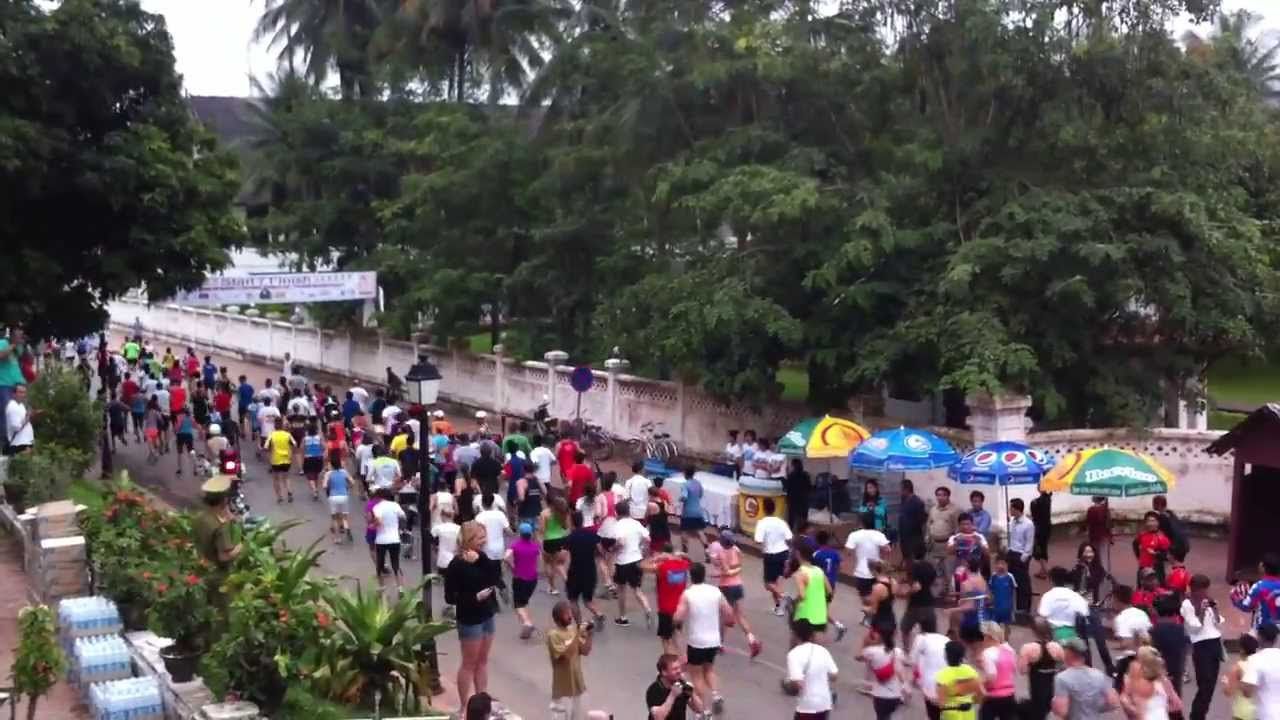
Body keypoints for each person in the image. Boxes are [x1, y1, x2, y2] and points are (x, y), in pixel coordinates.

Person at [444, 521, 501, 710]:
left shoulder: (482, 557)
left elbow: (494, 577)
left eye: (484, 537)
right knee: (469, 663)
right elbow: (450, 597)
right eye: (480, 538)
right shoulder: (456, 564)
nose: (484, 542)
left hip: (487, 613)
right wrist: (473, 597)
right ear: (468, 540)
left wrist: (481, 560)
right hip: (470, 618)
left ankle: (481, 701)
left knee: (483, 661)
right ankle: (464, 706)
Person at [674, 562, 731, 715]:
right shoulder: (715, 591)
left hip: (696, 641)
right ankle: (716, 694)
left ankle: (703, 709)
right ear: (704, 574)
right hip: (714, 640)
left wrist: (676, 622)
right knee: (709, 668)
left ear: (690, 576)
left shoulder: (688, 594)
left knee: (696, 675)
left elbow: (678, 616)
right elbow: (728, 612)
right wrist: (728, 622)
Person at [706, 529, 762, 657]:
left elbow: (726, 572)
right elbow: (739, 565)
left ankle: (719, 643)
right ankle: (751, 639)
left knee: (724, 615)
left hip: (726, 586)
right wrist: (736, 570)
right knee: (740, 615)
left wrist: (717, 574)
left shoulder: (721, 552)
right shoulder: (736, 550)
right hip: (738, 584)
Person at [190, 475, 243, 607]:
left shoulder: (201, 517)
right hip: (218, 577)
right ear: (224, 500)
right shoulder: (220, 527)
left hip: (202, 570)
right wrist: (240, 547)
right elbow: (224, 556)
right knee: (221, 612)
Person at [1180, 574, 1223, 720]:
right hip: (1201, 645)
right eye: (1204, 590)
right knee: (1204, 684)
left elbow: (1218, 623)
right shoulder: (1187, 604)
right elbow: (1194, 628)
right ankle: (1196, 716)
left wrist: (1215, 610)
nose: (1206, 593)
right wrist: (1202, 612)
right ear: (1195, 590)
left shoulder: (1207, 601)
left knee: (1210, 685)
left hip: (1215, 643)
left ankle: (1200, 715)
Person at [547, 600, 594, 720]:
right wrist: (577, 634)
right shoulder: (553, 635)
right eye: (566, 613)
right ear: (558, 618)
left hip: (578, 686)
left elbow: (585, 651)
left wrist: (589, 636)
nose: (570, 615)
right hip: (563, 690)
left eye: (570, 612)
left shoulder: (573, 631)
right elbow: (565, 656)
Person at [1053, 637, 1120, 720]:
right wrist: (1095, 707)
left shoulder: (1062, 678)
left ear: (1069, 653)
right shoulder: (1098, 675)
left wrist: (1054, 704)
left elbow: (1062, 711)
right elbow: (1113, 702)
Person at [786, 618, 840, 720]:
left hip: (807, 706)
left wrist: (789, 685)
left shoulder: (794, 654)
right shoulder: (822, 650)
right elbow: (834, 675)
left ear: (795, 635)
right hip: (825, 704)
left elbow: (797, 685)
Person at [610, 500, 652, 626]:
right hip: (636, 558)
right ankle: (647, 608)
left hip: (623, 561)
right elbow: (648, 539)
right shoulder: (636, 523)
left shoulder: (618, 525)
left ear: (617, 512)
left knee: (621, 590)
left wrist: (614, 549)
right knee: (637, 589)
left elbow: (621, 542)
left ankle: (623, 617)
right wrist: (642, 549)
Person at [858, 619, 907, 720]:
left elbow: (858, 657)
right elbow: (900, 672)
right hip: (896, 696)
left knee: (881, 717)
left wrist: (866, 642)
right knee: (886, 716)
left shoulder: (871, 651)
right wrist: (905, 687)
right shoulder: (898, 651)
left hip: (881, 695)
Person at [564, 511, 606, 628]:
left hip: (575, 572)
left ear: (572, 522)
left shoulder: (570, 538)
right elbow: (601, 551)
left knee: (573, 599)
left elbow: (564, 557)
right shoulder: (592, 535)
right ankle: (598, 613)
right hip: (590, 571)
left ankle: (579, 624)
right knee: (588, 600)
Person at [754, 497, 794, 616]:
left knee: (768, 584)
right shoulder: (781, 522)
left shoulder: (762, 523)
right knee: (775, 582)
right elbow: (789, 538)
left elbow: (758, 540)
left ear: (764, 509)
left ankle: (784, 596)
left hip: (770, 555)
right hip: (783, 553)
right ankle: (779, 608)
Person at [1111, 584, 1154, 692]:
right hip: (1146, 657)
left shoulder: (1122, 618)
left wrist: (1114, 647)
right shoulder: (1141, 613)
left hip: (1128, 662)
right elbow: (1148, 635)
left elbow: (1127, 643)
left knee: (1121, 695)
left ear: (1116, 599)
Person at [1121, 646, 1184, 720]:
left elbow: (1123, 698)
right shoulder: (1163, 681)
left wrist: (1134, 709)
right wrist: (1163, 707)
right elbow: (1177, 705)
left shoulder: (1132, 680)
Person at [1020, 617, 1065, 720]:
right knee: (1046, 707)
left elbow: (1022, 670)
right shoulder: (1057, 647)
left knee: (1037, 709)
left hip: (1036, 682)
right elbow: (1063, 666)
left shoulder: (1028, 648)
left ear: (1034, 631)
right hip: (1051, 682)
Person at [652, 545, 691, 655]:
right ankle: (682, 657)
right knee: (677, 634)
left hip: (665, 608)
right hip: (679, 608)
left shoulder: (662, 567)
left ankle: (670, 661)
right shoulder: (683, 565)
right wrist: (683, 555)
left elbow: (642, 566)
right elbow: (691, 561)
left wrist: (656, 558)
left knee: (665, 638)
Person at [909, 614, 950, 720]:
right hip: (947, 679)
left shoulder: (921, 638)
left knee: (932, 711)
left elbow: (913, 660)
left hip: (930, 680)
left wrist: (914, 678)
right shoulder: (945, 639)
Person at [792, 542, 832, 643]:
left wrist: (794, 602)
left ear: (798, 554)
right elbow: (829, 591)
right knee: (815, 643)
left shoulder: (800, 573)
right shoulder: (819, 570)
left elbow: (802, 595)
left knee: (797, 642)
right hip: (820, 613)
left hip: (805, 615)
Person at [977, 621, 1018, 720]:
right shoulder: (1010, 650)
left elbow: (991, 676)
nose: (982, 640)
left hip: (993, 696)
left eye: (983, 636)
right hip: (1009, 695)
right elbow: (1013, 670)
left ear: (988, 637)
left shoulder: (988, 653)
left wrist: (981, 683)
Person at [1038, 566, 1089, 642]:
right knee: (1083, 650)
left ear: (1051, 580)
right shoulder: (1075, 596)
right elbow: (1085, 613)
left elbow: (1042, 614)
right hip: (1072, 634)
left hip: (1053, 634)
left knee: (1038, 620)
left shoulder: (1048, 596)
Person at [846, 512, 891, 597]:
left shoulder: (854, 535)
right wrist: (882, 557)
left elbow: (848, 551)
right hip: (876, 572)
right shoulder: (879, 534)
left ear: (861, 522)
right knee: (877, 597)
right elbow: (888, 549)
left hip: (861, 572)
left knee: (865, 600)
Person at [508, 522, 541, 638]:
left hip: (519, 578)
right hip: (532, 579)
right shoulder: (535, 546)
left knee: (518, 604)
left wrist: (512, 566)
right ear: (531, 534)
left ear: (520, 534)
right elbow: (538, 560)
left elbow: (506, 557)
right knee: (524, 601)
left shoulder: (515, 545)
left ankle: (527, 623)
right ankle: (526, 624)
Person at [936, 640, 984, 720]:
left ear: (946, 655)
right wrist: (970, 701)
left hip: (950, 716)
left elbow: (941, 703)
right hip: (968, 714)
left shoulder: (943, 676)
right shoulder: (971, 672)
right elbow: (981, 694)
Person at [646, 654, 704, 720]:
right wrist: (672, 695)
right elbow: (659, 717)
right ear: (664, 672)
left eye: (679, 668)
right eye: (675, 669)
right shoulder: (654, 690)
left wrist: (692, 693)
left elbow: (699, 709)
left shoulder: (681, 684)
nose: (679, 671)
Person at [1231, 553, 1280, 631]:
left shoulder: (1259, 586)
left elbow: (1246, 607)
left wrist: (1235, 598)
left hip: (1263, 631)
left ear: (1263, 567)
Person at [1242, 623, 1280, 720]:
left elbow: (1247, 692)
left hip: (1266, 714)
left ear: (1259, 638)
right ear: (1275, 639)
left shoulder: (1254, 660)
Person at [900, 557, 938, 648]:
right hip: (929, 605)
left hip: (915, 606)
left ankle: (906, 650)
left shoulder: (914, 569)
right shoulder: (929, 569)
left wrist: (905, 594)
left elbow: (916, 587)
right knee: (929, 633)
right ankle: (927, 650)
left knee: (905, 629)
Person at [928, 487, 962, 585]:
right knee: (936, 573)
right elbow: (929, 524)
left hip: (948, 546)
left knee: (949, 572)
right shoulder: (933, 510)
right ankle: (939, 594)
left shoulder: (955, 510)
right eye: (938, 495)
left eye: (943, 495)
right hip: (935, 546)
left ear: (948, 496)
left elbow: (958, 528)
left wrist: (954, 545)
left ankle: (952, 594)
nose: (940, 497)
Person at [1224, 633, 1260, 720]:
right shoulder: (1260, 664)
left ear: (1242, 650)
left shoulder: (1238, 667)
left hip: (1242, 713)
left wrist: (1226, 681)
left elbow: (1228, 692)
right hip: (1259, 711)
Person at [432, 509, 461, 617]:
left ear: (442, 516)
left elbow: (432, 541)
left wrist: (436, 548)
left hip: (443, 560)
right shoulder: (459, 528)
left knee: (446, 584)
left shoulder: (438, 528)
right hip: (456, 559)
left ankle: (451, 606)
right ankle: (455, 607)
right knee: (457, 584)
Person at [541, 496, 572, 597]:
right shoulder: (563, 513)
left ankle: (552, 587)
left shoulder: (545, 513)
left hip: (549, 540)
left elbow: (542, 530)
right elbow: (566, 527)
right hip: (561, 539)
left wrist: (541, 542)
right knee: (559, 565)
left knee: (548, 564)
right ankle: (567, 581)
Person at [1133, 511, 1172, 586]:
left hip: (1156, 570)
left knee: (1157, 593)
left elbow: (1167, 556)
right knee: (1141, 591)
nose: (1151, 523)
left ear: (1158, 523)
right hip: (1142, 569)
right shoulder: (1142, 535)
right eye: (1148, 521)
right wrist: (1139, 557)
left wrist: (1155, 554)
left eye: (1153, 521)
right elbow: (1135, 545)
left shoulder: (1162, 538)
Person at [263, 417, 297, 503]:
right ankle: (289, 492)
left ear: (275, 425)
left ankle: (279, 496)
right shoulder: (287, 435)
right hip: (286, 459)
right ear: (282, 425)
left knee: (276, 479)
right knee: (286, 478)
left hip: (275, 460)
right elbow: (295, 444)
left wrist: (270, 453)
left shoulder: (272, 435)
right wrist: (291, 453)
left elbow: (266, 447)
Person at [322, 456, 352, 543]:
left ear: (331, 465)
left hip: (333, 496)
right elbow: (352, 482)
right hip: (344, 496)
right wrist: (347, 487)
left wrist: (329, 487)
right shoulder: (344, 472)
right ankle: (347, 527)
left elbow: (324, 486)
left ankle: (337, 538)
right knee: (345, 517)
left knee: (334, 518)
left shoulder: (328, 474)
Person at [677, 466, 707, 557]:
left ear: (685, 473)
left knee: (684, 531)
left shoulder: (685, 485)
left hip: (687, 512)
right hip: (698, 511)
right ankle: (707, 549)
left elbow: (684, 496)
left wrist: (680, 499)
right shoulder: (698, 484)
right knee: (700, 531)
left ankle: (685, 552)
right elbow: (701, 495)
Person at [899, 479, 927, 565]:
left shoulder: (917, 502)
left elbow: (922, 521)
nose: (899, 491)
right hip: (904, 538)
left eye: (900, 489)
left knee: (915, 563)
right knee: (907, 561)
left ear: (906, 489)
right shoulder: (904, 500)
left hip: (914, 539)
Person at [988, 556, 1016, 635]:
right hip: (996, 608)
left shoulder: (1010, 577)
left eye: (1003, 563)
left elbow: (1014, 593)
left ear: (1007, 565)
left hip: (1007, 608)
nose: (1000, 566)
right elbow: (990, 591)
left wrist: (1013, 610)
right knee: (995, 627)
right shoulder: (993, 577)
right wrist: (990, 603)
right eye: (998, 563)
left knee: (1007, 626)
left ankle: (1006, 642)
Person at [3, 383, 33, 455]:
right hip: (17, 445)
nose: (23, 395)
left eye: (24, 392)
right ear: (13, 394)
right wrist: (28, 416)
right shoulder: (13, 407)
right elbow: (17, 427)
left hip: (23, 443)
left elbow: (24, 421)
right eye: (20, 392)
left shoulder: (20, 405)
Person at [1085, 497, 1113, 571]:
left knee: (1096, 554)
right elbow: (1109, 524)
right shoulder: (1106, 510)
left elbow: (1088, 523)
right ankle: (1105, 571)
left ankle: (1097, 571)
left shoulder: (1091, 509)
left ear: (1095, 499)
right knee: (1104, 555)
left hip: (1094, 535)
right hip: (1104, 535)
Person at [784, 458, 811, 532]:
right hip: (803, 500)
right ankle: (802, 533)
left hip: (793, 500)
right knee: (803, 518)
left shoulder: (791, 476)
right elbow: (809, 487)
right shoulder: (806, 475)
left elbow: (787, 487)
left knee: (792, 518)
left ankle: (790, 534)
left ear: (793, 466)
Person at [1030, 491, 1053, 579]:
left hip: (1039, 528)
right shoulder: (1048, 499)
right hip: (1047, 527)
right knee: (1043, 548)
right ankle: (1042, 570)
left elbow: (1034, 515)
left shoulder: (1037, 502)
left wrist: (1033, 503)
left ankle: (1046, 570)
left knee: (1039, 549)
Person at [301, 421, 326, 500]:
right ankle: (316, 489)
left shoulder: (305, 439)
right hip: (318, 457)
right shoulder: (319, 438)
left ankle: (314, 490)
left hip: (308, 458)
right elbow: (323, 447)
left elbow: (302, 448)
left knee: (310, 476)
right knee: (316, 474)